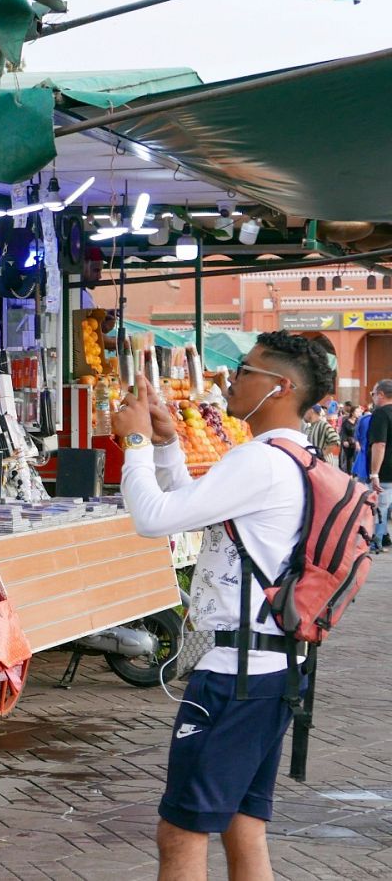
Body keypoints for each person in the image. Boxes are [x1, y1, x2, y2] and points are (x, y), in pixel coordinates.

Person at [114, 331, 336, 881]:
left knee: (182, 831)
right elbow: (193, 509)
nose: (231, 377)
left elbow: (154, 519)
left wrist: (137, 445)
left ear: (280, 387)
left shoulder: (260, 461)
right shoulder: (293, 456)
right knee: (242, 820)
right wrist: (166, 446)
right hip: (274, 670)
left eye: (245, 369)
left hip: (236, 678)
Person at [363, 380, 392, 552]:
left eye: (373, 393)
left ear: (381, 394)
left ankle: (377, 541)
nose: (372, 397)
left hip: (386, 469)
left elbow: (379, 444)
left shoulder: (381, 413)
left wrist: (374, 473)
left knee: (380, 506)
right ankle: (385, 537)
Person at [337, 403, 358, 472]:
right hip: (349, 443)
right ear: (352, 412)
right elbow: (343, 432)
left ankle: (355, 473)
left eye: (359, 411)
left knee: (356, 459)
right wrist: (344, 441)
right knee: (349, 459)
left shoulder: (359, 421)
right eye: (357, 412)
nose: (358, 413)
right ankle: (349, 474)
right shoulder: (346, 421)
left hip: (357, 442)